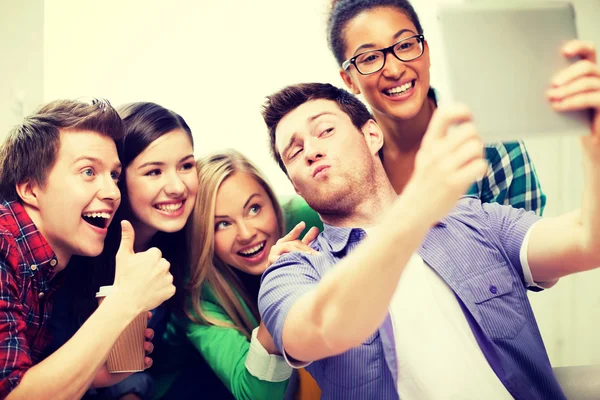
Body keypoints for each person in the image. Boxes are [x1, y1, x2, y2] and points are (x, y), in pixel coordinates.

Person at [258, 38, 600, 399]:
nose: (310, 151)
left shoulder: (473, 219)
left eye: (325, 130)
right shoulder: (292, 268)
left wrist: (595, 146)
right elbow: (322, 327)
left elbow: (586, 240)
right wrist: (415, 209)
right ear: (295, 186)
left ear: (371, 134)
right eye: (294, 152)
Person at [285, 0, 546, 234]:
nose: (395, 69)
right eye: (370, 57)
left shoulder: (492, 141)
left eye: (406, 45)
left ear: (427, 52)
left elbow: (538, 266)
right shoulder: (349, 160)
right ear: (349, 80)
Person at [0, 99, 175, 399]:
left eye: (114, 175)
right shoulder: (4, 246)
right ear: (30, 188)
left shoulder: (51, 268)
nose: (112, 193)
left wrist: (95, 374)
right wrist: (124, 302)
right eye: (88, 172)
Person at [49, 101, 213, 400]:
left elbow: (133, 366)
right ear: (119, 179)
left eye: (186, 166)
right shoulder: (76, 251)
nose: (177, 186)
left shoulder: (178, 246)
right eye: (154, 172)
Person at [159, 150, 321, 400]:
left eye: (254, 208)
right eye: (222, 224)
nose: (246, 234)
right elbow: (256, 396)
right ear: (204, 236)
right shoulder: (197, 298)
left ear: (272, 200)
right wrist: (275, 304)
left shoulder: (308, 217)